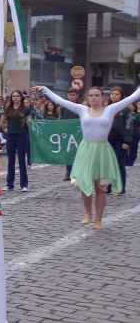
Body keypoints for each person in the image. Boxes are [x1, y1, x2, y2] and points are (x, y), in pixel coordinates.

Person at [31, 85, 140, 228]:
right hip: (86, 150)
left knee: (100, 187)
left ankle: (99, 219)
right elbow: (61, 101)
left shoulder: (110, 110)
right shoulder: (82, 110)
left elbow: (132, 97)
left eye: (97, 95)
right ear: (87, 98)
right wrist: (45, 90)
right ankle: (88, 213)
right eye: (91, 95)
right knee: (84, 184)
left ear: (103, 98)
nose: (94, 98)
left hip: (102, 151)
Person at [1, 90, 31, 192]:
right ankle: (10, 184)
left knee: (22, 160)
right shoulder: (8, 109)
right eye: (13, 96)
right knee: (11, 160)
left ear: (21, 97)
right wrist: (7, 128)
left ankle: (24, 185)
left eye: (17, 96)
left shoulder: (26, 109)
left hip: (22, 135)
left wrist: (28, 122)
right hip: (10, 136)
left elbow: (30, 122)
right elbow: (2, 123)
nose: (15, 98)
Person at [106, 86, 130, 195]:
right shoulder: (106, 108)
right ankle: (108, 187)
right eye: (112, 93)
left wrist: (127, 141)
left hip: (120, 140)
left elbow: (129, 125)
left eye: (117, 94)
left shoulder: (125, 109)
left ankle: (121, 187)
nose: (114, 96)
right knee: (107, 164)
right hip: (107, 140)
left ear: (121, 96)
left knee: (119, 164)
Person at [60, 89, 81, 180]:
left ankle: (76, 172)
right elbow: (61, 119)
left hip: (78, 133)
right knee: (68, 153)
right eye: (70, 95)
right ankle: (68, 171)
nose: (71, 97)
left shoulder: (80, 106)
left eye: (73, 95)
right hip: (67, 132)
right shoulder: (64, 107)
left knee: (77, 153)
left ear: (77, 96)